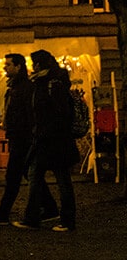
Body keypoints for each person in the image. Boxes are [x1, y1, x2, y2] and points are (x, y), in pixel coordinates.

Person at [0, 53, 58, 226]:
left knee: (13, 176)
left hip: (23, 139)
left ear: (18, 67)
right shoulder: (15, 87)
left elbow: (29, 114)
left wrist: (27, 134)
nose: (5, 67)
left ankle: (3, 213)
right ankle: (50, 207)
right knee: (30, 175)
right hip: (18, 137)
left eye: (8, 64)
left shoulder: (25, 88)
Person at [14, 49, 78, 232]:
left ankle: (66, 220)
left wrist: (44, 130)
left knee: (61, 179)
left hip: (54, 140)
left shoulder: (52, 84)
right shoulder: (44, 82)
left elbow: (59, 112)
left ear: (39, 65)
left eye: (34, 64)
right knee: (35, 175)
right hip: (46, 138)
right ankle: (35, 217)